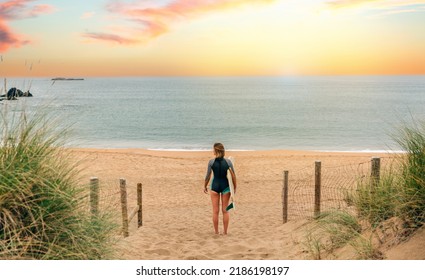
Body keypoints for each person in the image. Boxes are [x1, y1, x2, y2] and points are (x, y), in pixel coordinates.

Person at [204, 143, 237, 235]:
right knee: (225, 211)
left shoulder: (211, 162)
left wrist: (204, 186)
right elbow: (233, 176)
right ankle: (225, 232)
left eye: (213, 149)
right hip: (225, 187)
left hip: (214, 187)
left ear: (216, 151)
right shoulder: (228, 162)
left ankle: (216, 232)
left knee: (215, 211)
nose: (212, 151)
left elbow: (207, 176)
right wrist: (234, 187)